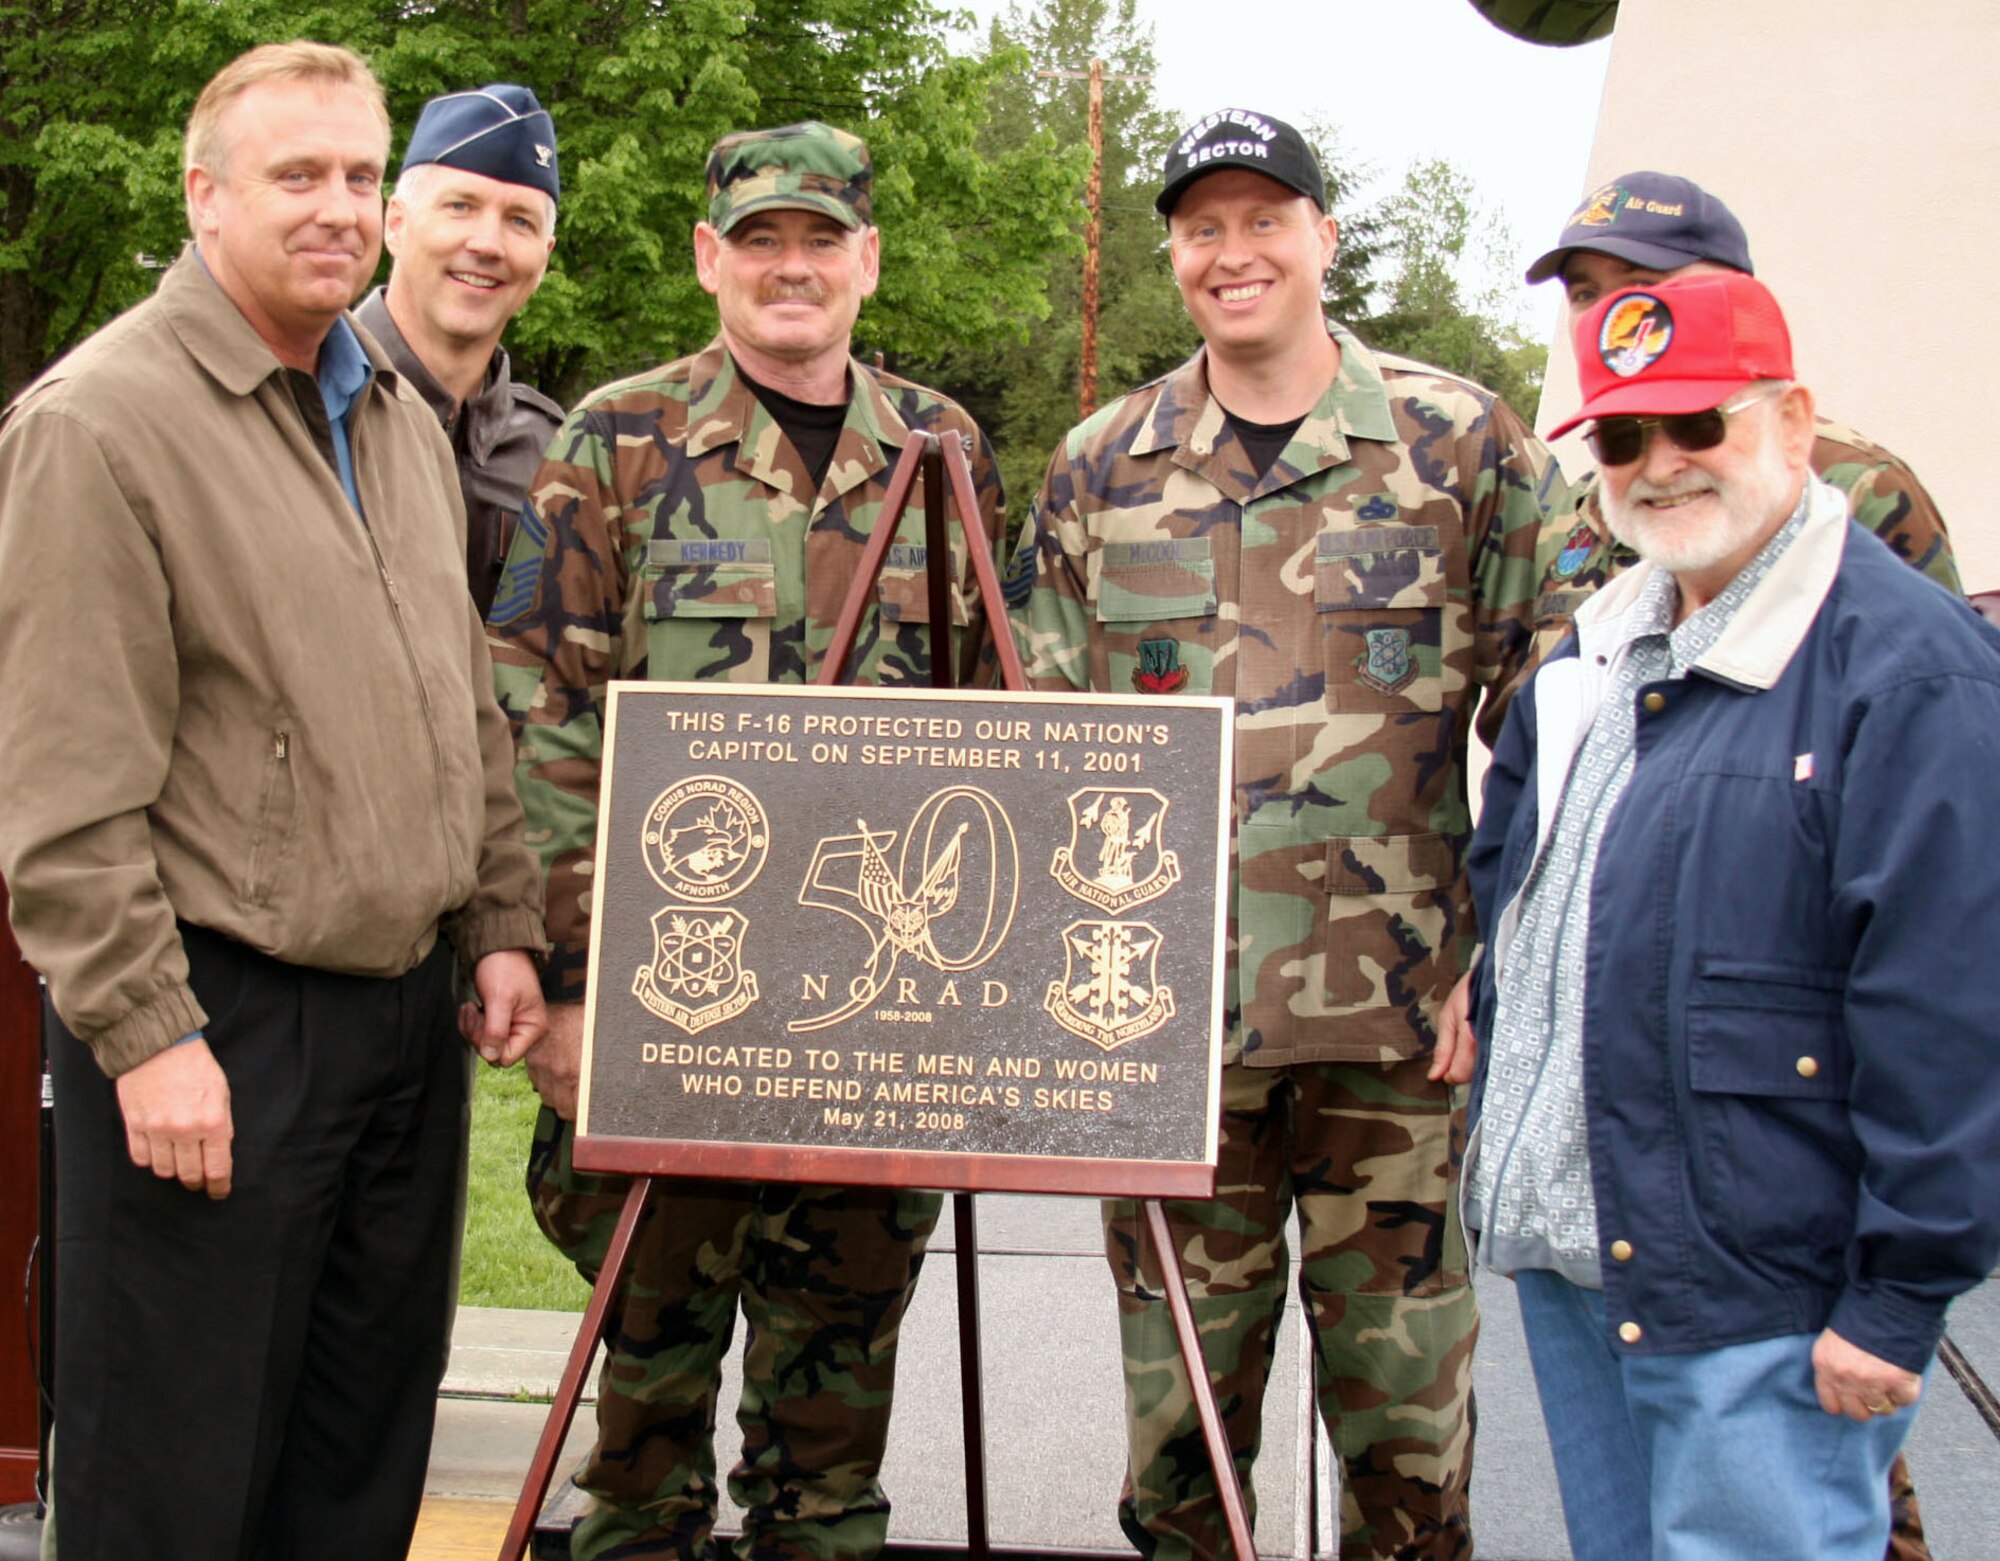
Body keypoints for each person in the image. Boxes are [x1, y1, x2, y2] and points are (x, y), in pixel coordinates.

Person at [0, 41, 548, 1561]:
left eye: (362, 176)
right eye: (296, 175)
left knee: (355, 1467)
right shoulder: (98, 424)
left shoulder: (388, 417)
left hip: (399, 1034)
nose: (338, 208)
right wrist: (146, 1034)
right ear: (204, 195)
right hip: (213, 1029)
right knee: (173, 1483)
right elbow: (64, 790)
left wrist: (500, 919)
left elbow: (463, 710)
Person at [1012, 107, 1570, 1561]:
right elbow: (1033, 743)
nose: (1233, 251)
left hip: (1394, 1035)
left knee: (1409, 1439)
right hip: (1162, 1040)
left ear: (1325, 239)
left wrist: (1497, 954)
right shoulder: (1099, 467)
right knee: (1180, 1442)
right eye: (1204, 228)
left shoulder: (1460, 447)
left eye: (1266, 220)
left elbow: (1565, 724)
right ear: (1175, 256)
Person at [486, 120, 1004, 1560]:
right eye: (761, 240)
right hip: (675, 1000)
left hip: (877, 1019)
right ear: (711, 256)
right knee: (642, 1427)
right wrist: (571, 978)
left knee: (831, 1435)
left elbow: (1000, 729)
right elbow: (538, 707)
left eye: (821, 241)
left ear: (868, 262)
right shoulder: (617, 438)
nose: (793, 268)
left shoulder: (945, 448)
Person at [1465, 269, 2000, 1561]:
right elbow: (1522, 890)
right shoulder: (1609, 640)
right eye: (1625, 435)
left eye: (1701, 423)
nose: (1662, 464)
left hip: (1755, 1297)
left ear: (1794, 423)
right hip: (1581, 1263)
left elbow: (1950, 1012)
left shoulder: (1903, 666)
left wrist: (1897, 1299)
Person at [1525, 171, 1958, 657]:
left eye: (1641, 283)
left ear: (1731, 289)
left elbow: (1933, 683)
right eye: (1585, 294)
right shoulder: (1582, 504)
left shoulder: (1857, 483)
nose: (1609, 316)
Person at [354, 82, 563, 619]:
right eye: (460, 207)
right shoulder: (297, 406)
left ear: (544, 257)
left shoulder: (556, 455)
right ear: (394, 224)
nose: (487, 244)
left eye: (520, 221)